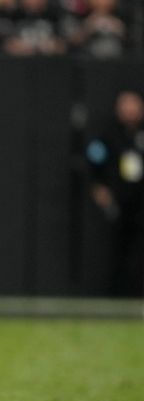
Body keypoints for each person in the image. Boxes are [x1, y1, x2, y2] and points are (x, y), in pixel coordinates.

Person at [85, 89, 144, 297]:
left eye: (133, 104)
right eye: (125, 105)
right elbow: (93, 166)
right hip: (119, 204)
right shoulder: (108, 135)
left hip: (140, 204)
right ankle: (118, 296)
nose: (129, 110)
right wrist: (99, 190)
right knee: (118, 252)